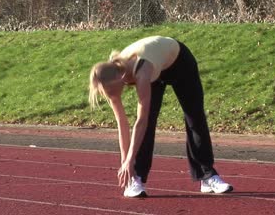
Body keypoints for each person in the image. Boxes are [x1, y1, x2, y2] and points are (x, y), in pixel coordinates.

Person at [88, 35, 233, 198]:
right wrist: (125, 162)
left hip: (179, 61)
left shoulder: (142, 71)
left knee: (194, 117)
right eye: (108, 94)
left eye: (113, 92)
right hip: (156, 67)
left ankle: (207, 176)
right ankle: (136, 178)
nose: (113, 96)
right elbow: (122, 123)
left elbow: (140, 121)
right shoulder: (111, 75)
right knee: (148, 120)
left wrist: (129, 159)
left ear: (120, 79)